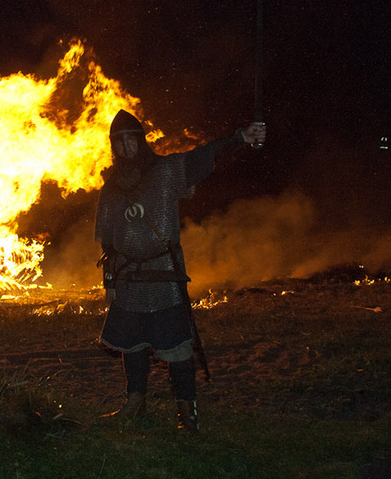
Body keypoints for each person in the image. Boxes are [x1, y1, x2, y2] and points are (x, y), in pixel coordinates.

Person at [95, 109, 266, 432]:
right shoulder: (111, 190)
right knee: (132, 344)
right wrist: (110, 280)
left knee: (176, 347)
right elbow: (108, 241)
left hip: (164, 275)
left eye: (130, 141)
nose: (125, 149)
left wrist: (240, 139)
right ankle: (135, 401)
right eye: (119, 144)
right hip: (129, 277)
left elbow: (203, 157)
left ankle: (187, 411)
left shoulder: (166, 171)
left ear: (141, 142)